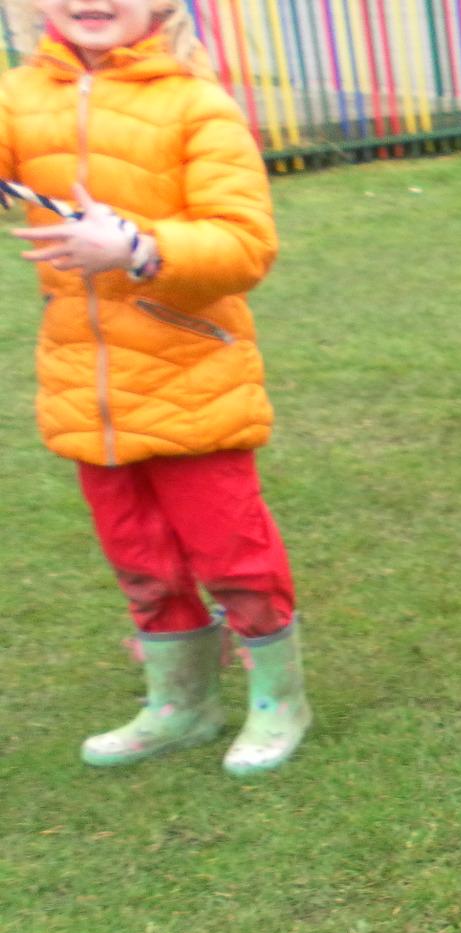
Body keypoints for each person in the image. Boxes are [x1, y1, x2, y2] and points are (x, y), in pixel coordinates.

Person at [2, 0, 309, 776]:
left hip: (193, 379)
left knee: (233, 553)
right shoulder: (19, 95)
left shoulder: (197, 105)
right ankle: (181, 704)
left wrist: (138, 247)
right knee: (141, 559)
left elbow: (245, 245)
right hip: (86, 388)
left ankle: (279, 699)